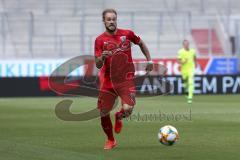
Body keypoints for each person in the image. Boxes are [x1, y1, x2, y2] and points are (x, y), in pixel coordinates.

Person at [94, 9, 153, 150]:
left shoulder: (127, 34)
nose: (112, 21)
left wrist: (149, 60)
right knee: (103, 112)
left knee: (128, 109)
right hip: (108, 80)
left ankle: (120, 116)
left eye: (114, 19)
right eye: (108, 19)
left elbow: (141, 43)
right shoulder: (99, 40)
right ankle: (110, 140)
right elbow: (98, 64)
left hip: (126, 79)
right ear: (104, 21)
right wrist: (102, 56)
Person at [177, 40, 197, 104]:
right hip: (184, 70)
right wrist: (183, 62)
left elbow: (195, 57)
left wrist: (195, 63)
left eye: (187, 44)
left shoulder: (193, 51)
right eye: (185, 44)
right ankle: (186, 91)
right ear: (183, 45)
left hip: (191, 68)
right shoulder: (180, 52)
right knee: (185, 82)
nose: (187, 45)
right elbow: (179, 61)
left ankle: (190, 97)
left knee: (191, 82)